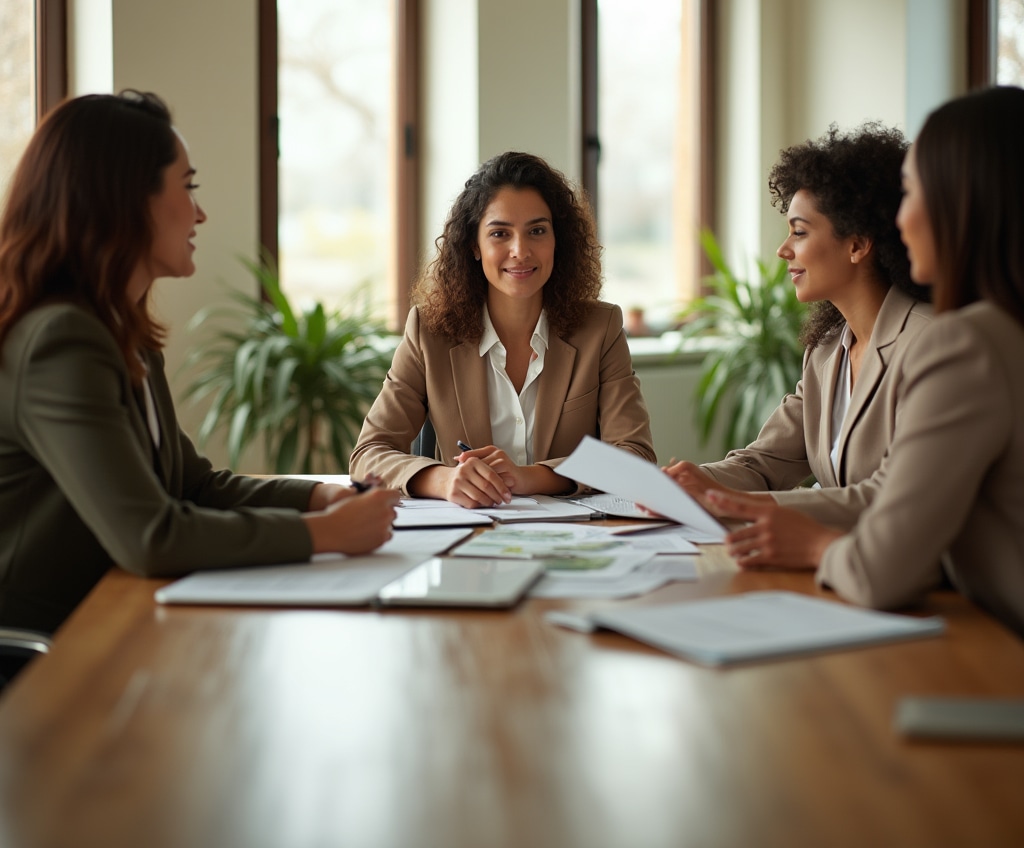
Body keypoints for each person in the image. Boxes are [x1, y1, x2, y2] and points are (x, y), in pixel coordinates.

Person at [0, 92, 399, 637]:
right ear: (123, 201)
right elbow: (150, 536)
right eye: (187, 188)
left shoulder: (124, 333)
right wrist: (325, 535)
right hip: (44, 656)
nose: (200, 212)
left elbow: (193, 486)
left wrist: (317, 497)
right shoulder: (60, 342)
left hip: (116, 619)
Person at [711, 86, 1024, 637]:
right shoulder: (829, 349)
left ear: (961, 202)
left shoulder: (958, 343)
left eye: (912, 193)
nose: (900, 221)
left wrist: (810, 541)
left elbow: (883, 559)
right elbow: (766, 460)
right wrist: (699, 490)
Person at [350, 150, 656, 507]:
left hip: (572, 543)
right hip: (469, 538)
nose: (520, 251)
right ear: (474, 246)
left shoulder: (600, 329)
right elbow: (368, 454)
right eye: (499, 233)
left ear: (559, 239)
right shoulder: (428, 331)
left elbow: (636, 458)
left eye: (537, 231)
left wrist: (531, 476)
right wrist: (444, 479)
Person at [667, 122, 931, 529]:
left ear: (858, 244)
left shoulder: (929, 343)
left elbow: (893, 496)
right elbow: (764, 462)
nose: (783, 249)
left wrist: (743, 506)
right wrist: (690, 482)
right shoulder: (826, 351)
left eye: (799, 232)